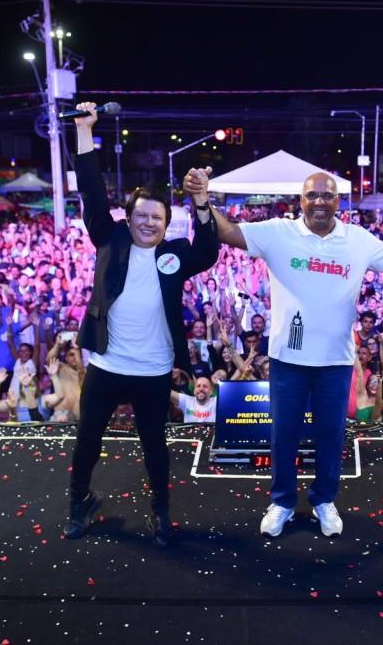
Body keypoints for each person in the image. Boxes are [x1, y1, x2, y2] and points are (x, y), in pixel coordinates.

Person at [183, 157, 383, 540]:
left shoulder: (358, 241)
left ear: (338, 202)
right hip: (288, 361)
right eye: (311, 195)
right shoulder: (278, 233)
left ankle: (324, 499)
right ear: (300, 200)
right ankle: (281, 501)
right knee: (283, 435)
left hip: (335, 362)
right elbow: (227, 231)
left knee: (331, 435)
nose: (319, 201)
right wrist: (202, 201)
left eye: (326, 196)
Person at [64, 103, 220, 549]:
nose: (148, 222)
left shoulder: (173, 255)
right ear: (128, 217)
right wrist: (84, 132)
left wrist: (202, 201)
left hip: (153, 369)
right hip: (108, 364)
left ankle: (161, 513)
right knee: (87, 442)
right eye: (141, 215)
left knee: (155, 449)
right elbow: (92, 193)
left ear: (166, 223)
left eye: (157, 217)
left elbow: (207, 253)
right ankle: (79, 502)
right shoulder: (108, 237)